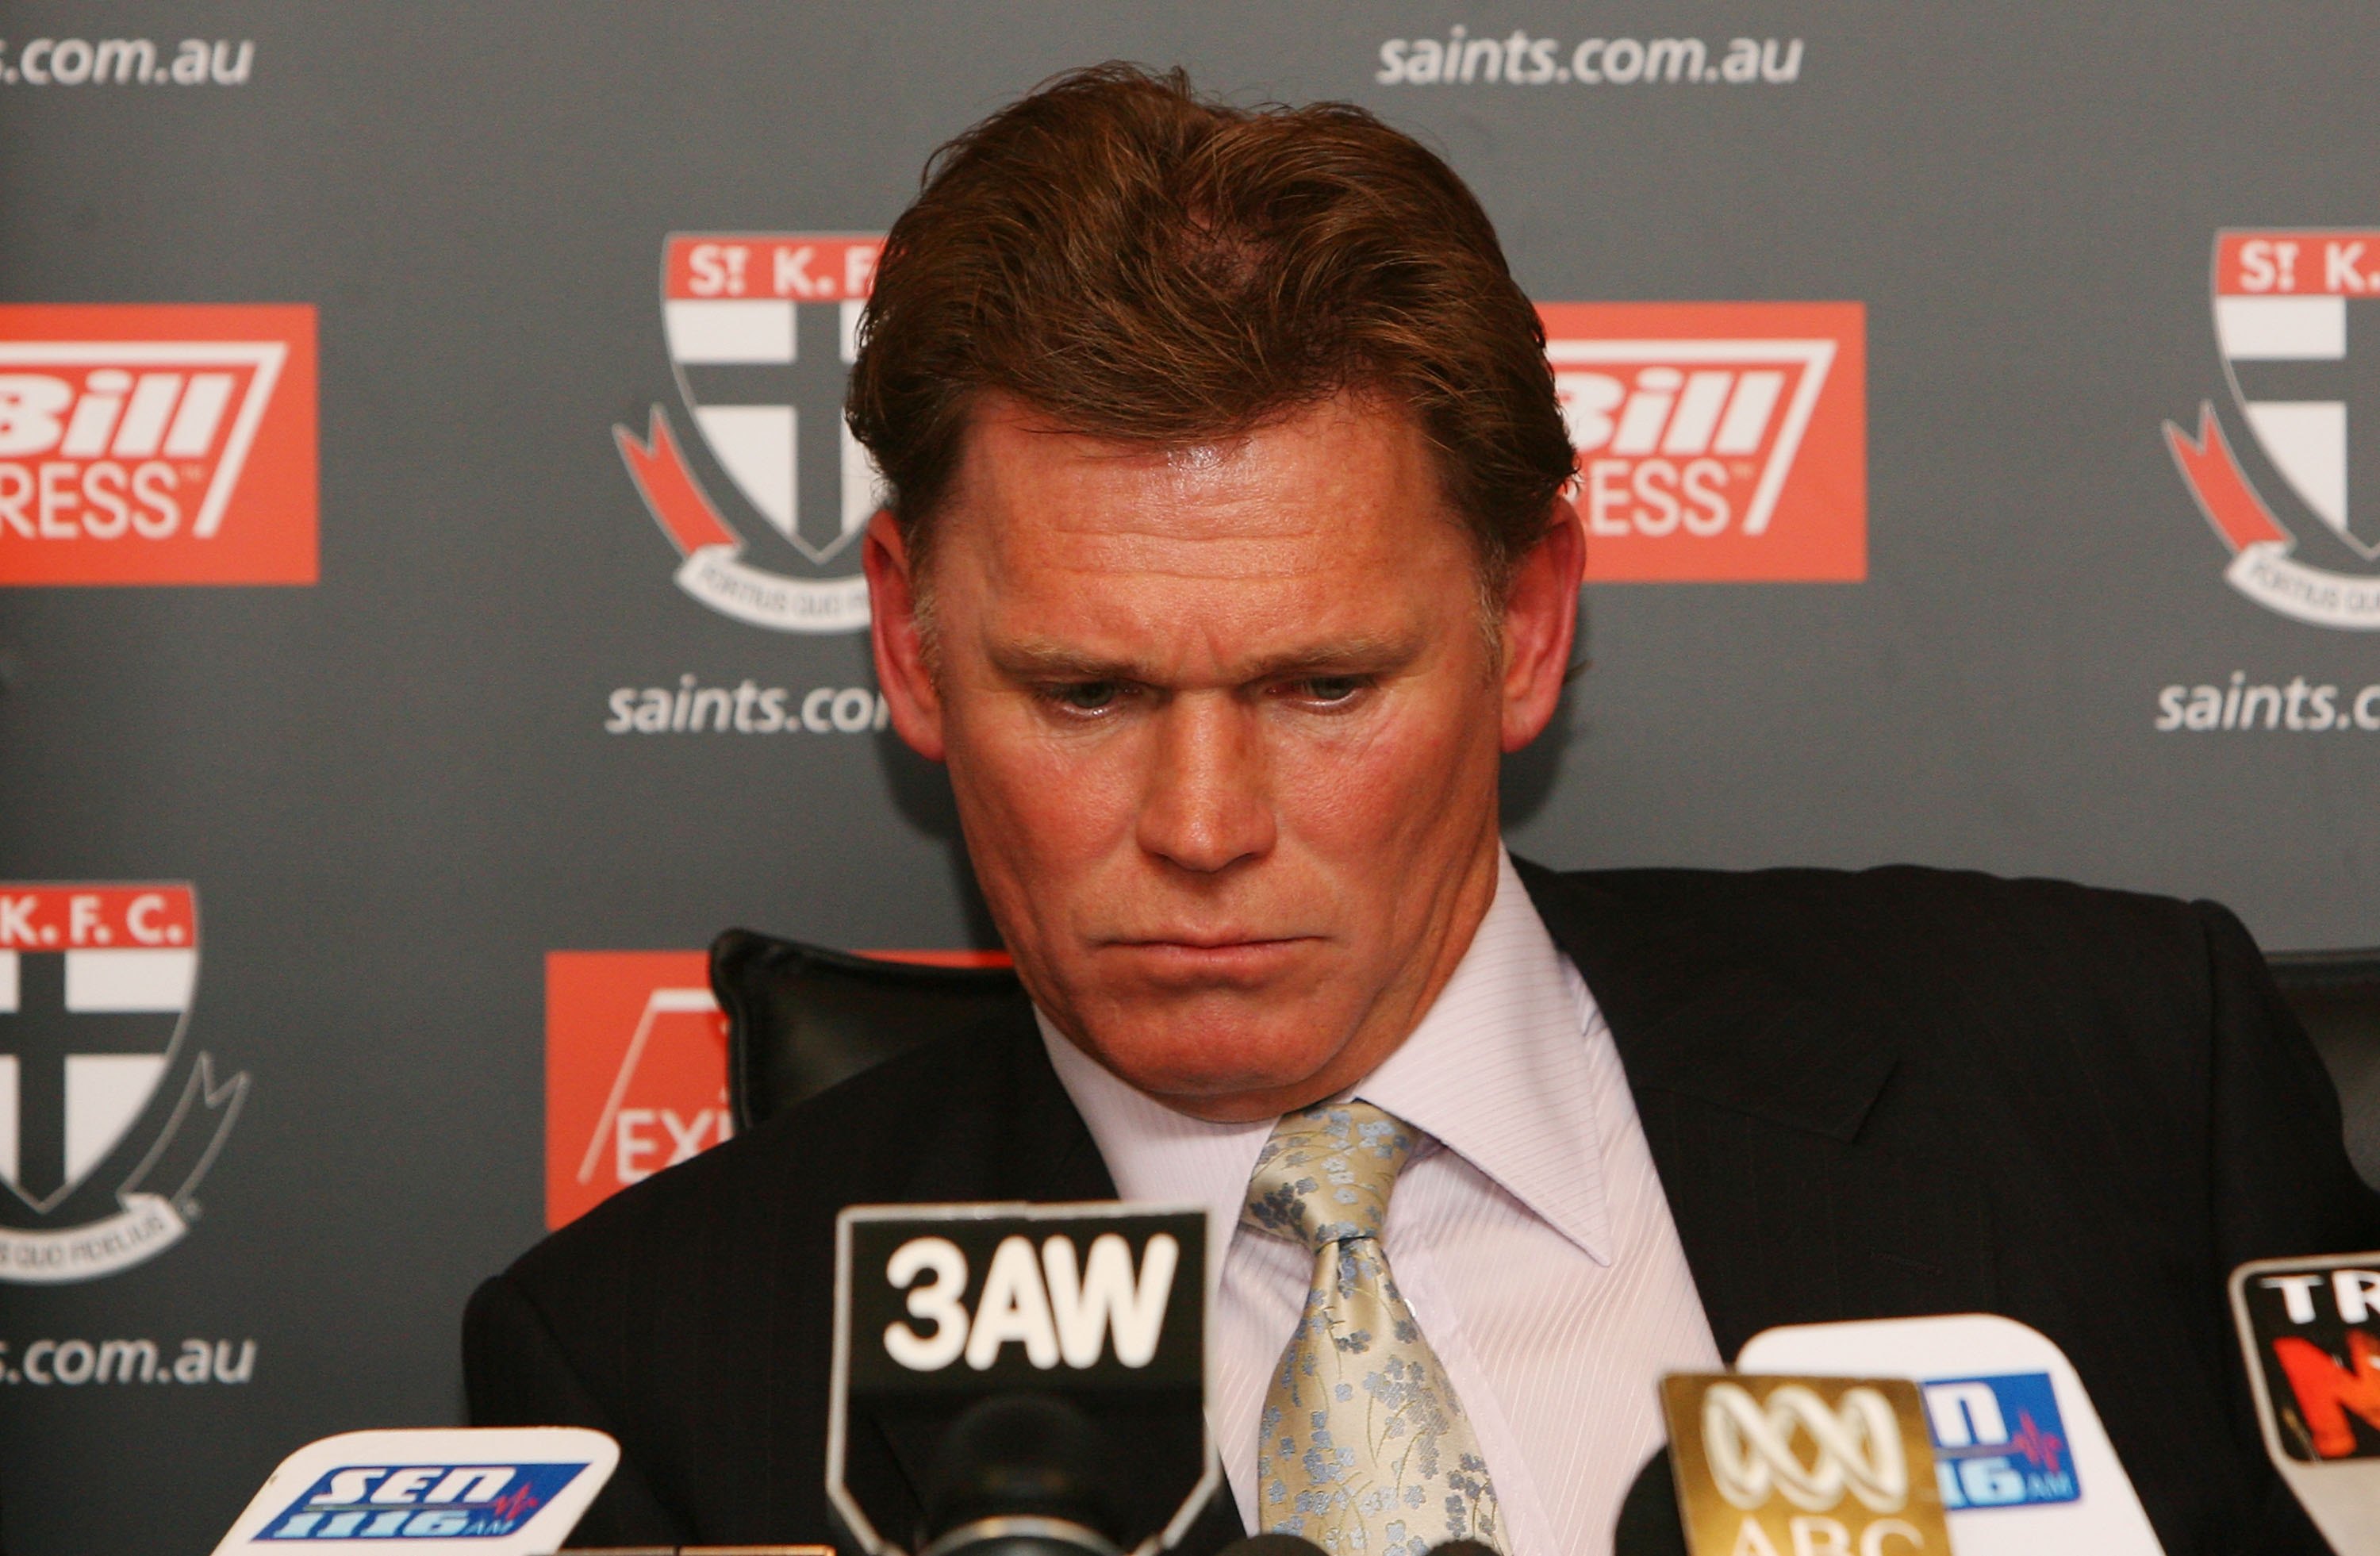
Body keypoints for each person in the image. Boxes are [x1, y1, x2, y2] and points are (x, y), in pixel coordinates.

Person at [466, 64, 2378, 1555]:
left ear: (1524, 623)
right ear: (906, 640)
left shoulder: (2115, 1080)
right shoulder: (650, 1369)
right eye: (1087, 694)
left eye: (1322, 688)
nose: (1202, 825)